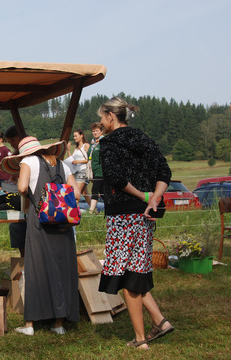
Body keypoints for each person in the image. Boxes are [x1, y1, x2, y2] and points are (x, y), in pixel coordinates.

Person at [97, 97, 174, 350]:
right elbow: (164, 172)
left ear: (111, 116)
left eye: (102, 117)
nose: (101, 122)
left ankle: (140, 340)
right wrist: (155, 197)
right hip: (145, 217)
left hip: (123, 216)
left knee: (127, 276)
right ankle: (159, 321)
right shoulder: (143, 138)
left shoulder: (108, 142)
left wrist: (144, 196)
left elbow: (115, 177)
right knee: (136, 271)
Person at [0, 136, 80, 336]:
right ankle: (59, 322)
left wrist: (35, 197)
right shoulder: (62, 164)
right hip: (63, 222)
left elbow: (21, 187)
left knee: (36, 268)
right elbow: (76, 194)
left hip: (39, 220)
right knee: (62, 268)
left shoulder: (28, 161)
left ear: (25, 153)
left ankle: (30, 325)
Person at [3, 126, 27, 257]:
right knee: (16, 226)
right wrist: (10, 185)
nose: (11, 144)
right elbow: (13, 176)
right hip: (21, 199)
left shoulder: (31, 154)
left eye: (12, 140)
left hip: (33, 199)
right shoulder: (14, 156)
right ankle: (23, 258)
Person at [65, 129, 90, 204]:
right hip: (77, 171)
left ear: (81, 135)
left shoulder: (86, 145)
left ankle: (72, 210)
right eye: (74, 136)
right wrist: (68, 150)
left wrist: (78, 161)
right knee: (84, 193)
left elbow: (88, 159)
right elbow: (72, 159)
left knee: (76, 193)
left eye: (76, 136)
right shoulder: (76, 148)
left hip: (83, 170)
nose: (74, 138)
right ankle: (94, 211)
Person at [88, 122, 105, 214]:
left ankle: (91, 211)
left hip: (100, 171)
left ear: (101, 132)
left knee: (94, 190)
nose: (95, 133)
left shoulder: (102, 142)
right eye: (93, 131)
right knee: (102, 191)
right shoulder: (92, 143)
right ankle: (110, 206)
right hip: (94, 170)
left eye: (97, 131)